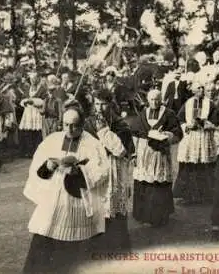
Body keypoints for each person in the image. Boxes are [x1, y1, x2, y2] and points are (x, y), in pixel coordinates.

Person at [22, 102, 110, 274]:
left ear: (82, 125)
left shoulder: (92, 144)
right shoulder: (52, 139)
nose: (69, 130)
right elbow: (37, 167)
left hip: (77, 201)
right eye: (66, 125)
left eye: (74, 126)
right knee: (44, 238)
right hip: (53, 200)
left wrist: (79, 171)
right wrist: (47, 166)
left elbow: (102, 172)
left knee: (74, 250)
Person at [83, 89, 135, 251]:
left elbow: (121, 150)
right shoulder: (88, 122)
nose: (99, 108)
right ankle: (97, 242)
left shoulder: (120, 124)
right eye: (96, 104)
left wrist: (104, 132)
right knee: (97, 203)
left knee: (114, 202)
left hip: (114, 168)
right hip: (95, 167)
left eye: (103, 104)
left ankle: (117, 242)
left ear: (111, 105)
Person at [131, 89, 182, 224]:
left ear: (161, 100)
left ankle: (159, 215)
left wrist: (166, 135)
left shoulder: (169, 114)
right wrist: (134, 153)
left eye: (157, 99)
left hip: (160, 154)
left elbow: (177, 133)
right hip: (144, 154)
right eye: (152, 99)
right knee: (144, 181)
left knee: (158, 182)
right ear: (148, 100)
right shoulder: (143, 114)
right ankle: (143, 214)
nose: (155, 102)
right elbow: (135, 134)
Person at [19, 71, 47, 157]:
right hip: (28, 112)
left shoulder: (42, 89)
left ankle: (37, 150)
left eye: (34, 79)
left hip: (36, 112)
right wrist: (25, 102)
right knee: (28, 131)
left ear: (38, 79)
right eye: (31, 79)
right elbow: (22, 99)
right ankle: (29, 151)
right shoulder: (28, 88)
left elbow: (44, 101)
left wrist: (34, 101)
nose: (33, 81)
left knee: (37, 132)